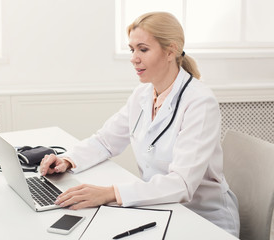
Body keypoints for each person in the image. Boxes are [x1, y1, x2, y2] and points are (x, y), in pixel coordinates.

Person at [40, 12, 240, 237]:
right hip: (159, 208)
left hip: (203, 219)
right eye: (132, 49)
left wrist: (110, 193)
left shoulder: (200, 102)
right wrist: (68, 159)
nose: (134, 58)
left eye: (143, 49)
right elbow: (106, 141)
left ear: (170, 51)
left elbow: (181, 184)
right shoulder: (143, 94)